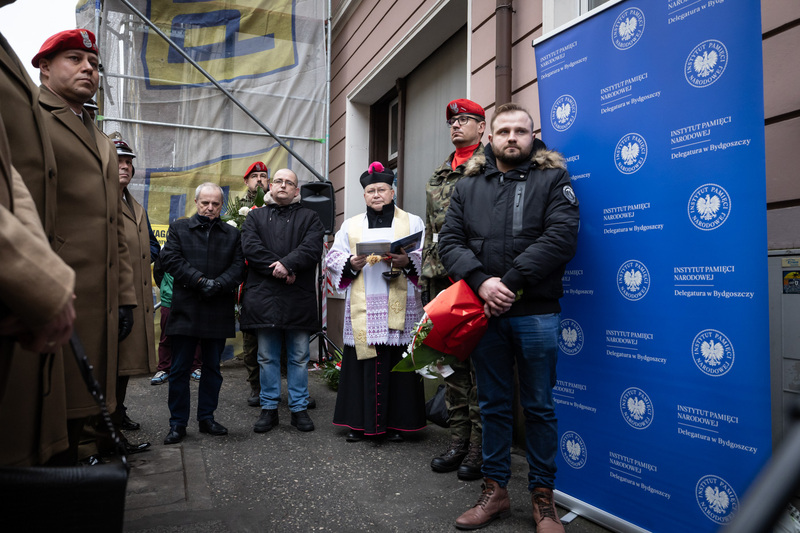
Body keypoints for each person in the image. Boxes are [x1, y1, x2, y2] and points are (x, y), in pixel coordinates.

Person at [439, 103, 579, 532]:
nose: (512, 137)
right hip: (485, 314)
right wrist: (482, 282)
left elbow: (561, 237)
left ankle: (543, 499)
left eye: (521, 130)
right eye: (504, 131)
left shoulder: (553, 178)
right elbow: (450, 241)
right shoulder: (468, 185)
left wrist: (510, 282)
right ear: (491, 137)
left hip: (535, 313)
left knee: (538, 406)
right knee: (493, 405)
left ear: (533, 136)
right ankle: (495, 491)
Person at [32, 28, 137, 463]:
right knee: (46, 404)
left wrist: (126, 295)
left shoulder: (97, 133)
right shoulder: (31, 114)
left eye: (93, 64)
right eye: (75, 59)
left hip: (101, 295)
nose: (88, 69)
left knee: (89, 398)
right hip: (55, 287)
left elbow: (115, 225)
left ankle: (81, 471)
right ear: (44, 66)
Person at [326, 162, 427, 442]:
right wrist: (351, 262)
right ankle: (360, 424)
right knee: (363, 362)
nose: (376, 194)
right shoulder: (350, 225)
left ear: (392, 192)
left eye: (382, 189)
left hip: (401, 302)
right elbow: (333, 259)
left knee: (397, 363)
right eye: (371, 190)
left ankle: (398, 425)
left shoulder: (413, 221)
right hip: (364, 306)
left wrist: (408, 260)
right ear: (364, 195)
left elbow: (425, 255)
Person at [421, 98, 486, 481]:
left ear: (482, 126)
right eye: (453, 121)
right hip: (440, 280)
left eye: (465, 120)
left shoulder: (489, 168)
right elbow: (433, 229)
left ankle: (478, 448)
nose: (456, 126)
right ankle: (458, 441)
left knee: (479, 371)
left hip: (474, 280)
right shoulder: (440, 173)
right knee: (450, 368)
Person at [159, 182, 244, 445]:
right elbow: (171, 259)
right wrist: (199, 281)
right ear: (196, 202)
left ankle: (207, 418)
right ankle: (177, 423)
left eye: (215, 204)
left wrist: (217, 284)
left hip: (217, 308)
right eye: (205, 203)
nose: (210, 208)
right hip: (186, 308)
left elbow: (240, 266)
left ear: (221, 205)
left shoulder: (232, 234)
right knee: (179, 369)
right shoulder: (179, 228)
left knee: (212, 369)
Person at [240, 168, 324, 433]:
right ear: (270, 186)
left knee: (299, 357)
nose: (284, 186)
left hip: (297, 297)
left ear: (297, 190)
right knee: (266, 357)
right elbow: (251, 248)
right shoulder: (255, 217)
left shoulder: (311, 217)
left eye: (290, 183)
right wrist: (280, 269)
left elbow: (311, 248)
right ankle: (269, 409)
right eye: (279, 181)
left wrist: (287, 265)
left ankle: (298, 409)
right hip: (264, 297)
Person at [113, 135, 158, 441]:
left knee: (124, 364)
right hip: (111, 298)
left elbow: (153, 246)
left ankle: (117, 412)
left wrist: (143, 258)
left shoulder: (135, 205)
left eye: (129, 162)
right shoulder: (99, 199)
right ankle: (103, 425)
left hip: (134, 298)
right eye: (119, 160)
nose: (126, 166)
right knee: (109, 364)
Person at [239, 161, 268, 407]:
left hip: (274, 278)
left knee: (281, 338)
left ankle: (284, 386)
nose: (259, 180)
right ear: (246, 181)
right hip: (248, 281)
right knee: (251, 339)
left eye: (263, 176)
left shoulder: (277, 206)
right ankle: (255, 387)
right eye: (254, 176)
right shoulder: (236, 210)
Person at [151, 257, 202, 386]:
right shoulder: (167, 249)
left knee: (195, 333)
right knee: (166, 335)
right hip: (170, 299)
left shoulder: (194, 244)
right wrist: (166, 288)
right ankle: (164, 369)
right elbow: (158, 272)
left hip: (192, 297)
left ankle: (195, 366)